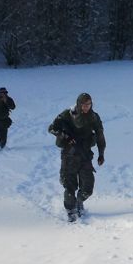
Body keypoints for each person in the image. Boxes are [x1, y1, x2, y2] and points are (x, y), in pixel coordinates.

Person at [48, 92, 106, 222]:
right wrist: (65, 136)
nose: (86, 107)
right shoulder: (67, 114)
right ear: (78, 104)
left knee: (87, 188)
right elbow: (52, 128)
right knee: (69, 187)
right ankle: (70, 210)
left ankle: (79, 201)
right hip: (69, 155)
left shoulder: (94, 117)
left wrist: (101, 153)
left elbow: (100, 135)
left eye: (89, 104)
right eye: (84, 104)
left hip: (85, 156)